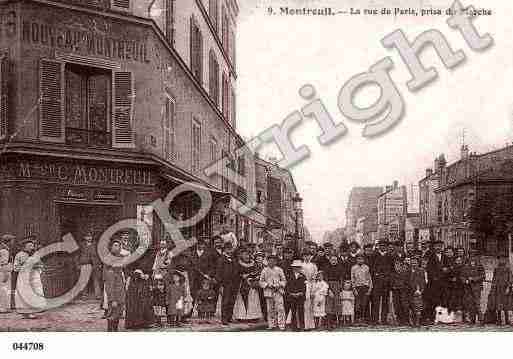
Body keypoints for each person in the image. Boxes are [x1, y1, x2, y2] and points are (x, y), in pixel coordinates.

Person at [14, 236, 46, 319]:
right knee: (25, 293)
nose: (31, 248)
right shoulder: (19, 255)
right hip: (23, 277)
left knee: (34, 292)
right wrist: (26, 267)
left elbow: (41, 265)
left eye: (32, 246)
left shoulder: (35, 255)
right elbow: (16, 268)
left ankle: (33, 310)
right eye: (29, 246)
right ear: (24, 247)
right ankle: (25, 312)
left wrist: (38, 268)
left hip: (34, 276)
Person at [233, 248, 263, 322]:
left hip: (251, 284)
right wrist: (241, 276)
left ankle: (253, 316)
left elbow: (257, 272)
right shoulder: (238, 263)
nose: (247, 256)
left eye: (248, 254)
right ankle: (241, 316)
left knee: (253, 299)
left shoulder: (253, 263)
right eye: (244, 254)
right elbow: (235, 273)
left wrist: (252, 277)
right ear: (241, 255)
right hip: (242, 284)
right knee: (241, 300)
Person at [103, 239, 126, 332]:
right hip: (114, 295)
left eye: (118, 245)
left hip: (120, 294)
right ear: (112, 247)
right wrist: (112, 299)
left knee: (117, 315)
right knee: (112, 314)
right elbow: (109, 285)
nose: (117, 247)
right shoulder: (111, 271)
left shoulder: (120, 272)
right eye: (115, 245)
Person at [215, 243, 240, 325]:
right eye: (228, 248)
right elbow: (218, 273)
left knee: (232, 300)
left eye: (231, 248)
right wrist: (221, 284)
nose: (229, 250)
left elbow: (237, 270)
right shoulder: (221, 259)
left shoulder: (234, 258)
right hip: (225, 284)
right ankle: (224, 319)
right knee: (225, 301)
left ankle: (229, 317)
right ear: (224, 249)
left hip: (234, 283)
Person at [259, 254, 286, 330]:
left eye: (273, 261)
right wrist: (267, 285)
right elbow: (261, 282)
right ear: (267, 261)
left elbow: (284, 280)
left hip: (278, 291)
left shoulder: (279, 269)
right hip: (268, 291)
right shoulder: (264, 270)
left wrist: (279, 285)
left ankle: (281, 324)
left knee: (280, 308)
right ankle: (271, 324)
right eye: (270, 261)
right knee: (270, 309)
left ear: (276, 262)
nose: (271, 262)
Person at [370, 241, 393, 325]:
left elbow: (391, 269)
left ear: (386, 247)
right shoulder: (374, 255)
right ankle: (375, 319)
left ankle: (384, 319)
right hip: (377, 282)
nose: (382, 247)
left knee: (385, 301)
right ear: (378, 246)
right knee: (375, 301)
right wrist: (375, 275)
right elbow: (371, 268)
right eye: (381, 245)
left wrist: (388, 278)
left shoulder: (389, 256)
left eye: (384, 246)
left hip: (386, 282)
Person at [486, 256, 512, 326]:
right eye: (500, 259)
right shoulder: (496, 269)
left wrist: (508, 288)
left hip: (504, 288)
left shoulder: (508, 269)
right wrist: (492, 289)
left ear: (505, 260)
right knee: (498, 305)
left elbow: (510, 279)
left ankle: (507, 320)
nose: (501, 261)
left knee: (505, 305)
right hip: (497, 289)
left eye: (503, 259)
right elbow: (494, 279)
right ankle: (499, 320)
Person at [461, 251, 485, 324]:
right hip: (468, 288)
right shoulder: (466, 266)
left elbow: (483, 276)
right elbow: (462, 276)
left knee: (477, 303)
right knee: (470, 303)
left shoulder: (479, 266)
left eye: (474, 256)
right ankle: (472, 319)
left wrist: (474, 279)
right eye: (471, 256)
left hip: (477, 288)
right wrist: (465, 280)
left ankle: (481, 319)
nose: (472, 257)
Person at [425, 240, 445, 323]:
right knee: (432, 300)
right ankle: (431, 317)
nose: (439, 248)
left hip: (442, 283)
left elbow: (449, 267)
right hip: (433, 283)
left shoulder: (444, 256)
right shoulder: (430, 256)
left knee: (442, 300)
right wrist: (434, 277)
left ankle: (440, 317)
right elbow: (428, 268)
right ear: (434, 247)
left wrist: (447, 269)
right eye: (437, 246)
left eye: (440, 246)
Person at [78, 232, 102, 300]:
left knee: (96, 280)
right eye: (87, 236)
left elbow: (99, 254)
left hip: (94, 264)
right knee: (84, 281)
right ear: (84, 237)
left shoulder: (95, 245)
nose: (89, 238)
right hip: (85, 264)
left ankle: (98, 295)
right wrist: (78, 264)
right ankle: (84, 295)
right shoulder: (82, 245)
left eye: (90, 236)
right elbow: (78, 255)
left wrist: (99, 263)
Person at [351, 254, 372, 324]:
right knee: (357, 304)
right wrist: (354, 289)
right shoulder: (353, 268)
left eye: (361, 259)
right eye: (358, 259)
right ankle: (357, 319)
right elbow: (352, 279)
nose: (360, 260)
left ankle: (364, 319)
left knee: (364, 304)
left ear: (364, 260)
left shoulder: (366, 267)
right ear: (356, 260)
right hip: (357, 288)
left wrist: (370, 289)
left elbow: (369, 278)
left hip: (365, 287)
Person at [285, 260, 306, 331]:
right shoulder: (289, 276)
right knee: (293, 311)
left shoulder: (303, 276)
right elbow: (287, 286)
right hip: (292, 296)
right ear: (293, 268)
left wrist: (300, 293)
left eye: (298, 267)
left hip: (300, 296)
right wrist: (291, 293)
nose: (297, 269)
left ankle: (301, 326)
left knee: (301, 311)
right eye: (295, 267)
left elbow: (304, 287)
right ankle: (294, 326)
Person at [324, 255, 343, 328]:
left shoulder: (340, 268)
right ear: (330, 260)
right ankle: (328, 323)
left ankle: (334, 322)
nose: (334, 261)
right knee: (329, 304)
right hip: (329, 286)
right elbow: (325, 279)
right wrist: (328, 290)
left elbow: (341, 278)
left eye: (335, 260)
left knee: (336, 304)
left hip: (337, 286)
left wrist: (340, 289)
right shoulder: (327, 268)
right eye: (332, 260)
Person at [390, 258, 411, 326]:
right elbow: (391, 283)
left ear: (401, 266)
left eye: (399, 265)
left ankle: (406, 320)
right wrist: (393, 286)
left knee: (404, 305)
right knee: (397, 306)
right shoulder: (392, 274)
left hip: (403, 292)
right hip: (396, 292)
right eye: (396, 265)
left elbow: (407, 283)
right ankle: (399, 320)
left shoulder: (405, 274)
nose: (397, 267)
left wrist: (404, 287)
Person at [301, 249, 318, 330]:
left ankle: (310, 325)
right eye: (305, 255)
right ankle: (304, 324)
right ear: (303, 256)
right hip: (303, 286)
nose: (306, 257)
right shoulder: (301, 265)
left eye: (308, 255)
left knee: (310, 306)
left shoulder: (313, 266)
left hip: (311, 285)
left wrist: (313, 290)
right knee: (304, 306)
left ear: (310, 256)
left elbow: (314, 278)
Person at [409, 256, 427, 327]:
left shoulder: (421, 271)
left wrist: (420, 290)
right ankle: (411, 321)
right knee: (410, 307)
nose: (414, 264)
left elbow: (423, 282)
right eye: (412, 263)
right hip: (409, 291)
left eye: (415, 263)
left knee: (418, 307)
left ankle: (417, 322)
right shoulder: (407, 271)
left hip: (418, 292)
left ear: (418, 263)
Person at [0, 240, 12, 313]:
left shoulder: (4, 250)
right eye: (11, 241)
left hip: (4, 270)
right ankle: (3, 307)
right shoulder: (5, 251)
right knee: (4, 289)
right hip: (4, 271)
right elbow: (4, 262)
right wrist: (5, 273)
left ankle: (4, 307)